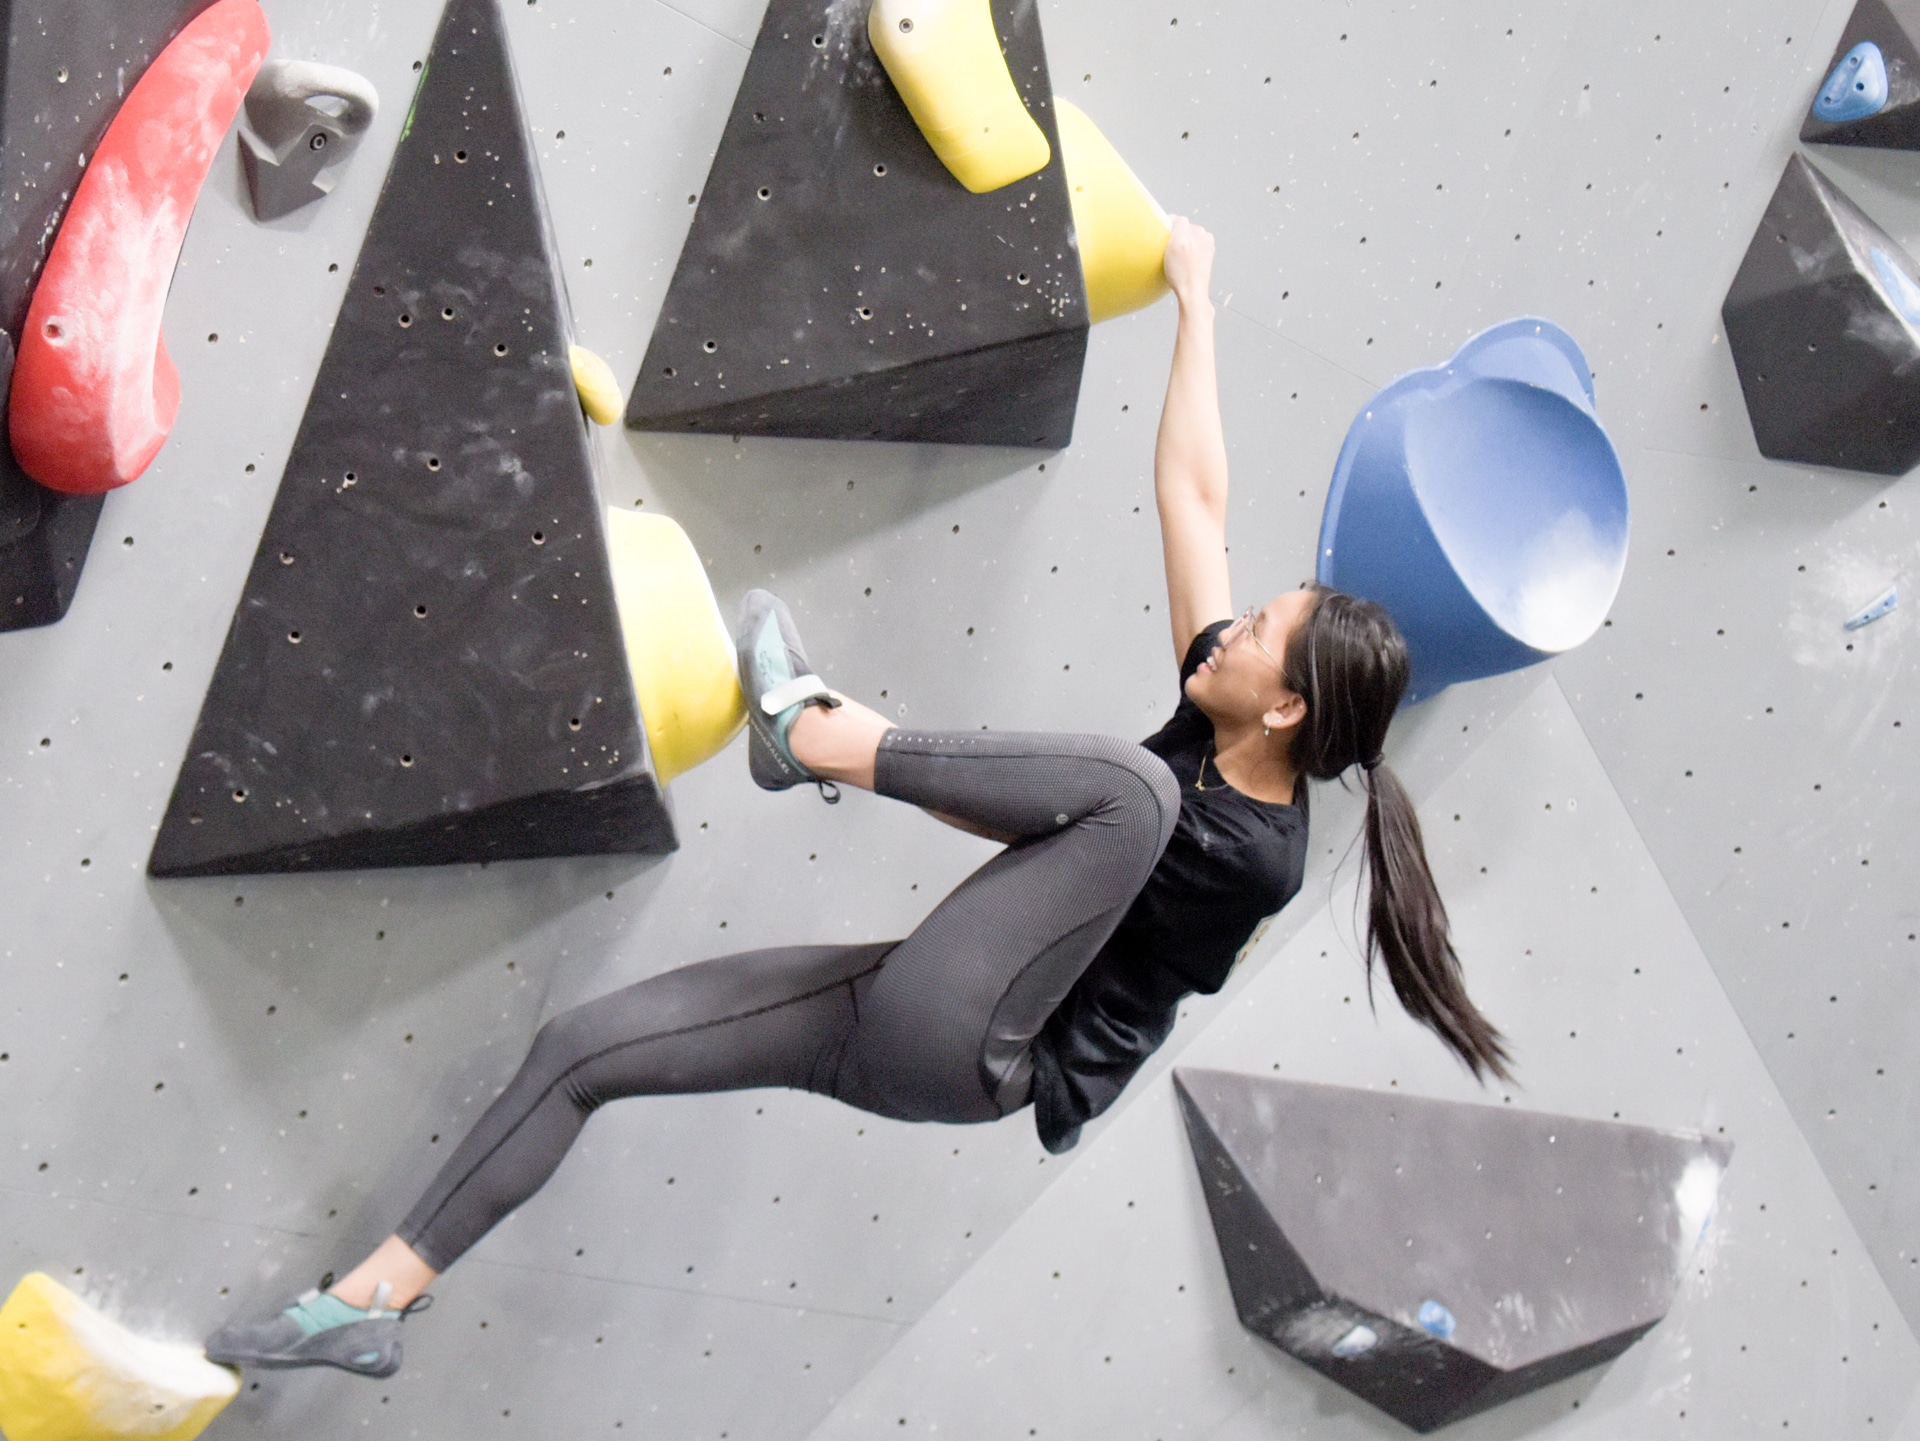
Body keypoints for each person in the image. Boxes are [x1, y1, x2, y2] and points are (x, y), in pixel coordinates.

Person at [207, 219, 1510, 1380]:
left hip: (983, 1046)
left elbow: (1068, 845)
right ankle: (364, 1304)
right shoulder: (1207, 725)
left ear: (1286, 709)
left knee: (1124, 793)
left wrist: (850, 753)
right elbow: (1194, 497)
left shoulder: (1247, 849)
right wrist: (1198, 307)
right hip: (918, 1003)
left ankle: (811, 727)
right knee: (584, 1051)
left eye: (1257, 636)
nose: (1227, 631)